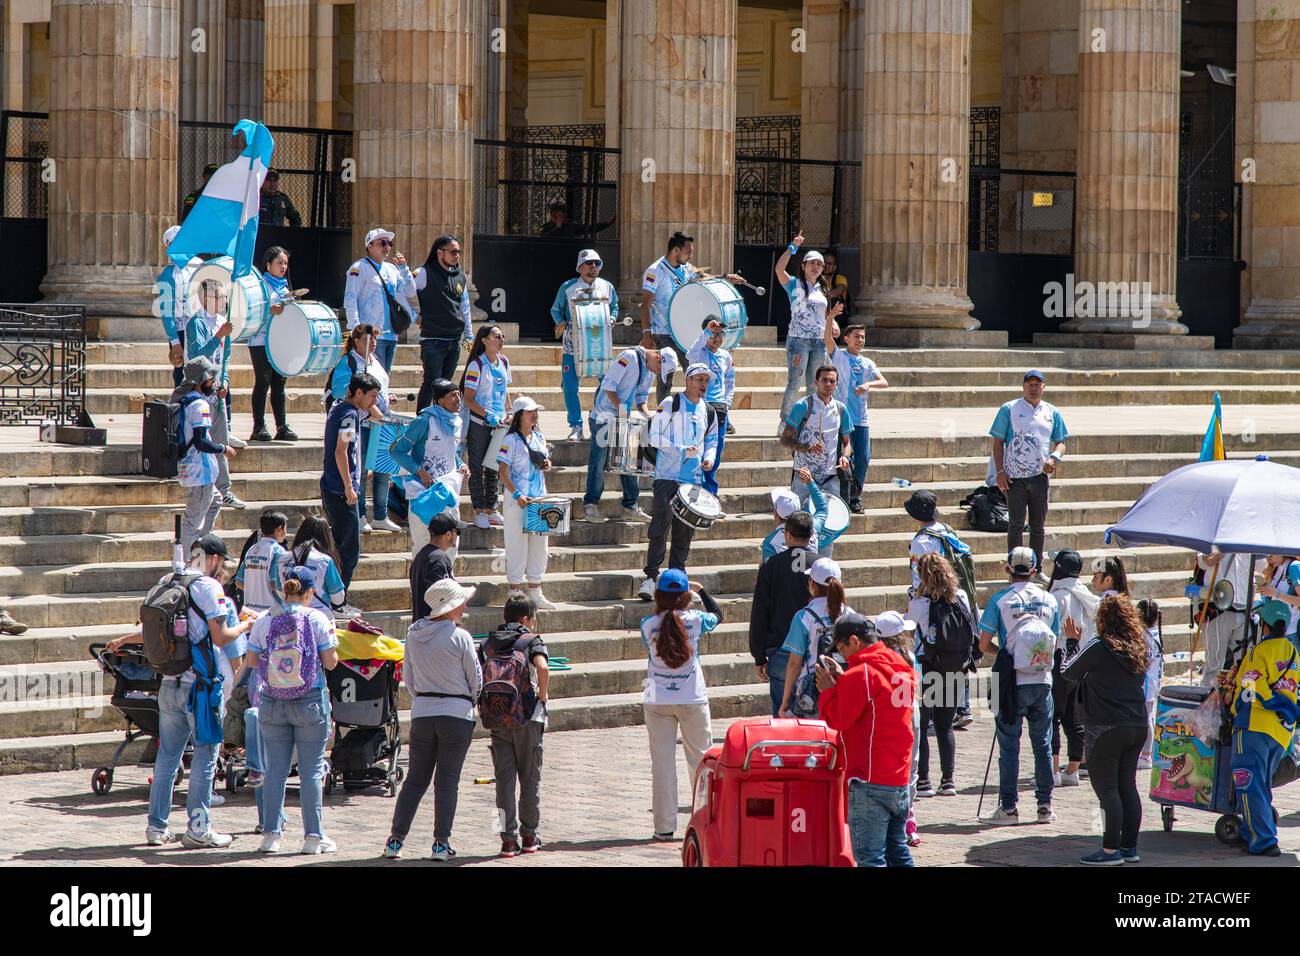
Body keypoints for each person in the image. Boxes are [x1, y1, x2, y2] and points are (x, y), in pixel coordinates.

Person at [109, 534, 253, 848]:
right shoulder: (208, 587)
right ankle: (199, 829)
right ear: (213, 559)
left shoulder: (166, 580)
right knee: (204, 756)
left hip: (168, 682)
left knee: (167, 758)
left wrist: (121, 640)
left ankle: (156, 827)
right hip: (199, 687)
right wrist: (244, 626)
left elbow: (151, 630)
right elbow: (221, 637)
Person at [384, 578, 483, 861]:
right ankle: (441, 843)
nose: (464, 606)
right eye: (461, 602)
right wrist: (468, 700)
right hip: (456, 713)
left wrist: (425, 698)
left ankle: (395, 840)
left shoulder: (414, 634)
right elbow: (475, 679)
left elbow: (409, 680)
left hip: (423, 711)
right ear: (451, 607)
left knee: (415, 780)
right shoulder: (459, 636)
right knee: (447, 781)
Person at [245, 566, 339, 854]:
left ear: (284, 589)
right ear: (310, 592)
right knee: (311, 770)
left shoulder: (265, 619)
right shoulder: (317, 618)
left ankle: (271, 835)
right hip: (309, 699)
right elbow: (331, 661)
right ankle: (313, 837)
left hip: (272, 700)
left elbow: (250, 661)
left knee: (276, 769)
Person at [816, 612, 917, 867]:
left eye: (841, 647)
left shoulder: (860, 674)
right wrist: (842, 682)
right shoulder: (899, 665)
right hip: (899, 777)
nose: (841, 654)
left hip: (869, 780)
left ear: (854, 641)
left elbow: (837, 719)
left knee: (870, 859)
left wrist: (828, 691)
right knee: (898, 853)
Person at [1059, 594, 1152, 864]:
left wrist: (1071, 642)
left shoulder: (1100, 645)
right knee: (1128, 787)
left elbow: (1068, 672)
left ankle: (1110, 851)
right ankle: (1129, 848)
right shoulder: (1138, 647)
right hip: (1136, 724)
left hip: (1106, 727)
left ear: (1102, 620)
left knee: (1108, 789)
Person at [978, 546, 1061, 825]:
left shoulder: (999, 600)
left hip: (1011, 681)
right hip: (1043, 680)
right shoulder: (1049, 600)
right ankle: (1045, 806)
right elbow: (1056, 640)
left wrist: (1005, 653)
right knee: (1043, 745)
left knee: (1009, 747)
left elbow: (983, 644)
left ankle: (1009, 808)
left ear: (1008, 570)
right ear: (1035, 571)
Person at [640, 568, 723, 841]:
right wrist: (701, 592)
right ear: (685, 595)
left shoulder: (647, 625)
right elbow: (719, 614)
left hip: (657, 698)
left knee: (661, 764)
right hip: (692, 697)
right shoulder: (697, 620)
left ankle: (663, 827)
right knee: (700, 761)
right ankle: (705, 819)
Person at [637, 364, 720, 600]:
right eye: (699, 379)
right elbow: (653, 436)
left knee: (685, 532)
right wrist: (681, 450)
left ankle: (677, 580)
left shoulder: (709, 410)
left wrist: (709, 458)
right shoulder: (671, 403)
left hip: (693, 480)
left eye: (707, 380)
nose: (704, 384)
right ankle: (651, 578)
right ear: (688, 380)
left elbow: (712, 440)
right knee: (659, 528)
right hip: (667, 476)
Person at [480, 594, 551, 857]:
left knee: (503, 781)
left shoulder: (488, 643)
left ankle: (507, 840)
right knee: (530, 779)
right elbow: (542, 668)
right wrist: (542, 697)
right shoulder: (530, 640)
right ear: (525, 619)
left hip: (497, 718)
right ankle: (530, 836)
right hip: (527, 718)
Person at [1228, 599, 1300, 857]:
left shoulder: (1257, 652)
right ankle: (1251, 831)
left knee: (1248, 782)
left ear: (1265, 625)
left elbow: (1251, 684)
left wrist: (1267, 701)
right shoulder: (1292, 652)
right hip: (1280, 730)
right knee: (1261, 784)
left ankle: (1264, 839)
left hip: (1254, 725)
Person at [638, 231, 743, 401]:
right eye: (688, 252)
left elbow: (704, 276)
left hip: (684, 331)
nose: (691, 255)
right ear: (676, 251)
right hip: (663, 331)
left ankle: (701, 410)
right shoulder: (655, 271)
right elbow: (645, 304)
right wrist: (646, 333)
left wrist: (725, 278)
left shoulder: (686, 268)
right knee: (666, 376)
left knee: (696, 370)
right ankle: (664, 415)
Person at [904, 490, 976, 728]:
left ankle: (940, 711)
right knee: (958, 651)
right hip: (956, 597)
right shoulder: (946, 530)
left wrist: (916, 600)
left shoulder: (921, 541)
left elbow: (921, 576)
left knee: (934, 652)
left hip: (933, 603)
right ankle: (962, 706)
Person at [989, 370, 1069, 578]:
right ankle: (1015, 568)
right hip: (1014, 477)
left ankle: (1038, 568)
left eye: (1038, 384)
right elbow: (998, 442)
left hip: (1040, 477)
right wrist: (999, 471)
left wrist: (1055, 457)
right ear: (1024, 386)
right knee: (1015, 524)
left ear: (1044, 386)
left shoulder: (1051, 412)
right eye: (1030, 384)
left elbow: (1061, 441)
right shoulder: (1009, 409)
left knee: (1038, 526)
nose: (1034, 388)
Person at [911, 552, 978, 799]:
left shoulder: (921, 603)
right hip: (957, 667)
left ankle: (924, 780)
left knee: (923, 722)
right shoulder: (960, 596)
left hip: (931, 667)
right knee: (945, 726)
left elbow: (909, 629)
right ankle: (948, 780)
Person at [582, 345, 669, 524]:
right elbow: (608, 386)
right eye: (659, 369)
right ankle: (590, 504)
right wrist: (622, 410)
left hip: (623, 418)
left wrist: (648, 415)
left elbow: (641, 398)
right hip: (603, 416)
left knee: (630, 463)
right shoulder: (629, 356)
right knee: (598, 463)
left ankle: (630, 505)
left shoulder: (651, 370)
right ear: (658, 358)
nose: (657, 373)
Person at [328, 324, 399, 534]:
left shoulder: (374, 360)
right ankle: (359, 515)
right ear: (357, 341)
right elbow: (340, 389)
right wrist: (374, 409)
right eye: (369, 339)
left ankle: (380, 515)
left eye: (375, 339)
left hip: (381, 422)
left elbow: (380, 386)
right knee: (361, 469)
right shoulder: (348, 361)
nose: (374, 343)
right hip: (363, 423)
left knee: (384, 469)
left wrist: (387, 398)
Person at [390, 377, 471, 557]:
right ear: (440, 400)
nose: (458, 399)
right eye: (452, 395)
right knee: (424, 544)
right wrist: (419, 472)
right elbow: (397, 451)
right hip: (423, 493)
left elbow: (450, 451)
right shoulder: (424, 421)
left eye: (459, 394)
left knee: (451, 545)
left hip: (448, 491)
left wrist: (461, 464)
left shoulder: (456, 421)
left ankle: (446, 583)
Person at [183, 278, 245, 508]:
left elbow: (225, 357)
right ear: (205, 298)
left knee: (221, 440)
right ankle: (201, 488)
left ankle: (225, 489)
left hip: (216, 392)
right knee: (201, 440)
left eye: (223, 296)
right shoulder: (196, 323)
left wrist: (225, 380)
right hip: (199, 391)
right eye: (218, 296)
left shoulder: (221, 322)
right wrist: (218, 335)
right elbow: (199, 355)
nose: (222, 301)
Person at [750, 510, 819, 716]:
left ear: (788, 535)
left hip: (780, 647)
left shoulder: (771, 566)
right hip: (814, 650)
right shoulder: (821, 565)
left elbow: (760, 611)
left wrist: (758, 656)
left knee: (783, 712)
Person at [320, 372, 381, 590]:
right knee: (349, 550)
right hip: (340, 490)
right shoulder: (349, 415)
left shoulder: (341, 406)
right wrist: (348, 485)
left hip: (334, 484)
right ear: (357, 393)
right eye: (372, 396)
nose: (374, 402)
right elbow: (340, 451)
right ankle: (339, 598)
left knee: (341, 545)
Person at [497, 396, 557, 611]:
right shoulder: (509, 440)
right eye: (530, 411)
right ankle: (514, 590)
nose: (535, 414)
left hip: (539, 498)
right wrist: (516, 495)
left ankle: (535, 590)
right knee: (516, 544)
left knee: (540, 546)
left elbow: (541, 461)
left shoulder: (539, 436)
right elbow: (503, 473)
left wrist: (547, 463)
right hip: (518, 500)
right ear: (519, 415)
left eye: (536, 411)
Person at [552, 249, 619, 441]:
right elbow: (556, 309)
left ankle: (602, 420)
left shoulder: (607, 286)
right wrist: (561, 323)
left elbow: (614, 306)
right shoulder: (567, 287)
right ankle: (576, 426)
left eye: (597, 263)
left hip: (600, 343)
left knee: (608, 384)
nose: (594, 266)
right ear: (580, 267)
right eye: (589, 263)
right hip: (573, 345)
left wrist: (613, 318)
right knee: (570, 387)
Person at [170, 357, 236, 551]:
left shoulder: (188, 399)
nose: (214, 383)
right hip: (200, 473)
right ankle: (186, 563)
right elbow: (201, 442)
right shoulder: (199, 405)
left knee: (215, 501)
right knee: (191, 523)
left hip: (191, 470)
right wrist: (223, 449)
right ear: (203, 379)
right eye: (211, 379)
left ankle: (201, 545)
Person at [776, 235, 841, 425]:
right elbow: (779, 269)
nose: (816, 267)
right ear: (803, 265)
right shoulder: (793, 283)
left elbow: (826, 312)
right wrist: (792, 248)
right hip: (799, 339)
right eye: (811, 263)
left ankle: (811, 420)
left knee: (815, 384)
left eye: (819, 264)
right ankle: (786, 421)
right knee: (794, 382)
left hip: (819, 341)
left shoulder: (823, 288)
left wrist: (833, 323)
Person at [778, 557, 853, 718]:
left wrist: (785, 702)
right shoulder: (851, 615)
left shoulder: (804, 617)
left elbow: (794, 664)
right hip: (845, 687)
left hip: (812, 692)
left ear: (812, 584)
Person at [823, 321, 887, 511]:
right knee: (845, 458)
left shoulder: (868, 362)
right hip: (843, 418)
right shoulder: (839, 357)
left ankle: (855, 495)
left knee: (863, 458)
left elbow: (883, 381)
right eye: (856, 336)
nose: (860, 340)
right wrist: (831, 318)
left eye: (862, 337)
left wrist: (868, 385)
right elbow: (827, 339)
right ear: (847, 339)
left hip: (861, 419)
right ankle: (845, 496)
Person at [1047, 548, 1096, 787]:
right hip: (1081, 660)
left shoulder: (1058, 597)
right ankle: (1073, 770)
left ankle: (1054, 770)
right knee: (1073, 715)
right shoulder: (1085, 594)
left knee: (1053, 715)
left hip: (1059, 659)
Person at [344, 227, 416, 373]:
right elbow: (350, 299)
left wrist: (404, 269)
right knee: (373, 376)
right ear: (369, 246)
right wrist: (356, 328)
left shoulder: (392, 269)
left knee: (384, 376)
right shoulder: (359, 267)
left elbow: (410, 291)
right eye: (382, 243)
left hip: (391, 334)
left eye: (390, 243)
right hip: (371, 334)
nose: (387, 247)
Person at [462, 324, 513, 529]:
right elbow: (468, 399)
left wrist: (509, 412)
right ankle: (479, 510)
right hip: (479, 423)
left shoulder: (504, 362)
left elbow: (506, 390)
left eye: (502, 336)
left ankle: (492, 508)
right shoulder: (476, 365)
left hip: (499, 424)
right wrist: (487, 414)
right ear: (484, 340)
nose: (501, 340)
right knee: (477, 466)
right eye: (496, 336)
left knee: (494, 466)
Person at [413, 234, 474, 404]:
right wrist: (413, 316)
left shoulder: (459, 276)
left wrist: (469, 334)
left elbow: (465, 306)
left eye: (459, 252)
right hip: (433, 339)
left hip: (454, 339)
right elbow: (400, 292)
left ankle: (441, 422)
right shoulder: (424, 272)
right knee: (431, 383)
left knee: (446, 386)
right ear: (440, 253)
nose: (457, 256)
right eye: (453, 252)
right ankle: (423, 423)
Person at [780, 365, 851, 505]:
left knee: (829, 522)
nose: (828, 384)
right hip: (804, 475)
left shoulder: (841, 409)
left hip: (831, 477)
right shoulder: (802, 406)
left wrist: (845, 456)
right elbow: (784, 440)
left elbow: (847, 443)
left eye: (832, 381)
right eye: (824, 380)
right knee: (800, 520)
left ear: (837, 384)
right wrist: (807, 448)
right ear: (816, 382)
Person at [248, 245, 298, 442]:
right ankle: (258, 426)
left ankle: (282, 426)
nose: (283, 266)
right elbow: (250, 310)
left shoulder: (285, 287)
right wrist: (270, 310)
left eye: (285, 263)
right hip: (260, 340)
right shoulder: (258, 285)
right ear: (268, 265)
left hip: (280, 341)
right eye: (279, 263)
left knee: (279, 384)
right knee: (263, 382)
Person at [686, 316, 735, 495]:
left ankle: (710, 491)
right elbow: (689, 355)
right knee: (697, 446)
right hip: (701, 406)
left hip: (720, 407)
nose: (717, 339)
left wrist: (727, 403)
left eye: (721, 335)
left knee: (716, 449)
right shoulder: (699, 352)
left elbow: (730, 382)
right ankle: (693, 485)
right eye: (713, 335)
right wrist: (707, 330)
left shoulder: (725, 355)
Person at [1193, 549, 1250, 686]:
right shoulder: (1210, 542)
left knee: (1247, 665)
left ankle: (1246, 703)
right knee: (1214, 665)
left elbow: (1260, 569)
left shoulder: (1246, 540)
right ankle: (1208, 704)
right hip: (1218, 610)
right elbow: (1206, 562)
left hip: (1243, 610)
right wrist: (1226, 547)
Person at [156, 224, 200, 389]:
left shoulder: (201, 266)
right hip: (181, 332)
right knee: (182, 374)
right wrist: (175, 342)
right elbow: (166, 312)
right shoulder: (167, 276)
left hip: (201, 328)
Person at [410, 513, 466, 620]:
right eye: (457, 532)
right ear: (448, 534)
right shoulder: (439, 559)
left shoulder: (421, 555)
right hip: (434, 627)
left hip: (422, 625)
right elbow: (443, 598)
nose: (457, 536)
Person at [288, 516, 348, 616]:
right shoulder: (324, 561)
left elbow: (278, 591)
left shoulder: (282, 558)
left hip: (289, 617)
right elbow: (338, 599)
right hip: (320, 616)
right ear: (326, 536)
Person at [234, 510, 289, 613]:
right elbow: (274, 584)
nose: (286, 533)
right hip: (271, 612)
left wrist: (255, 592)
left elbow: (239, 581)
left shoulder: (252, 549)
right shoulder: (278, 551)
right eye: (286, 528)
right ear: (279, 530)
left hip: (250, 611)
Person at [1135, 599, 1164, 769]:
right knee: (1149, 717)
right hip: (1153, 682)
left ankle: (1146, 756)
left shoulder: (1146, 637)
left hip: (1146, 683)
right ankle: (1145, 753)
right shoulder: (1153, 633)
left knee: (1146, 718)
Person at [1258, 554, 1300, 649]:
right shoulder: (1278, 568)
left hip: (1291, 634)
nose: (1268, 557)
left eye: (1271, 553)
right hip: (1276, 633)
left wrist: (1276, 593)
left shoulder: (1293, 566)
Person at [820, 249, 851, 314]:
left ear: (834, 267)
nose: (827, 266)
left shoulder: (840, 278)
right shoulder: (817, 278)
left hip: (838, 316)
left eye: (830, 264)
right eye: (824, 263)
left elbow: (836, 292)